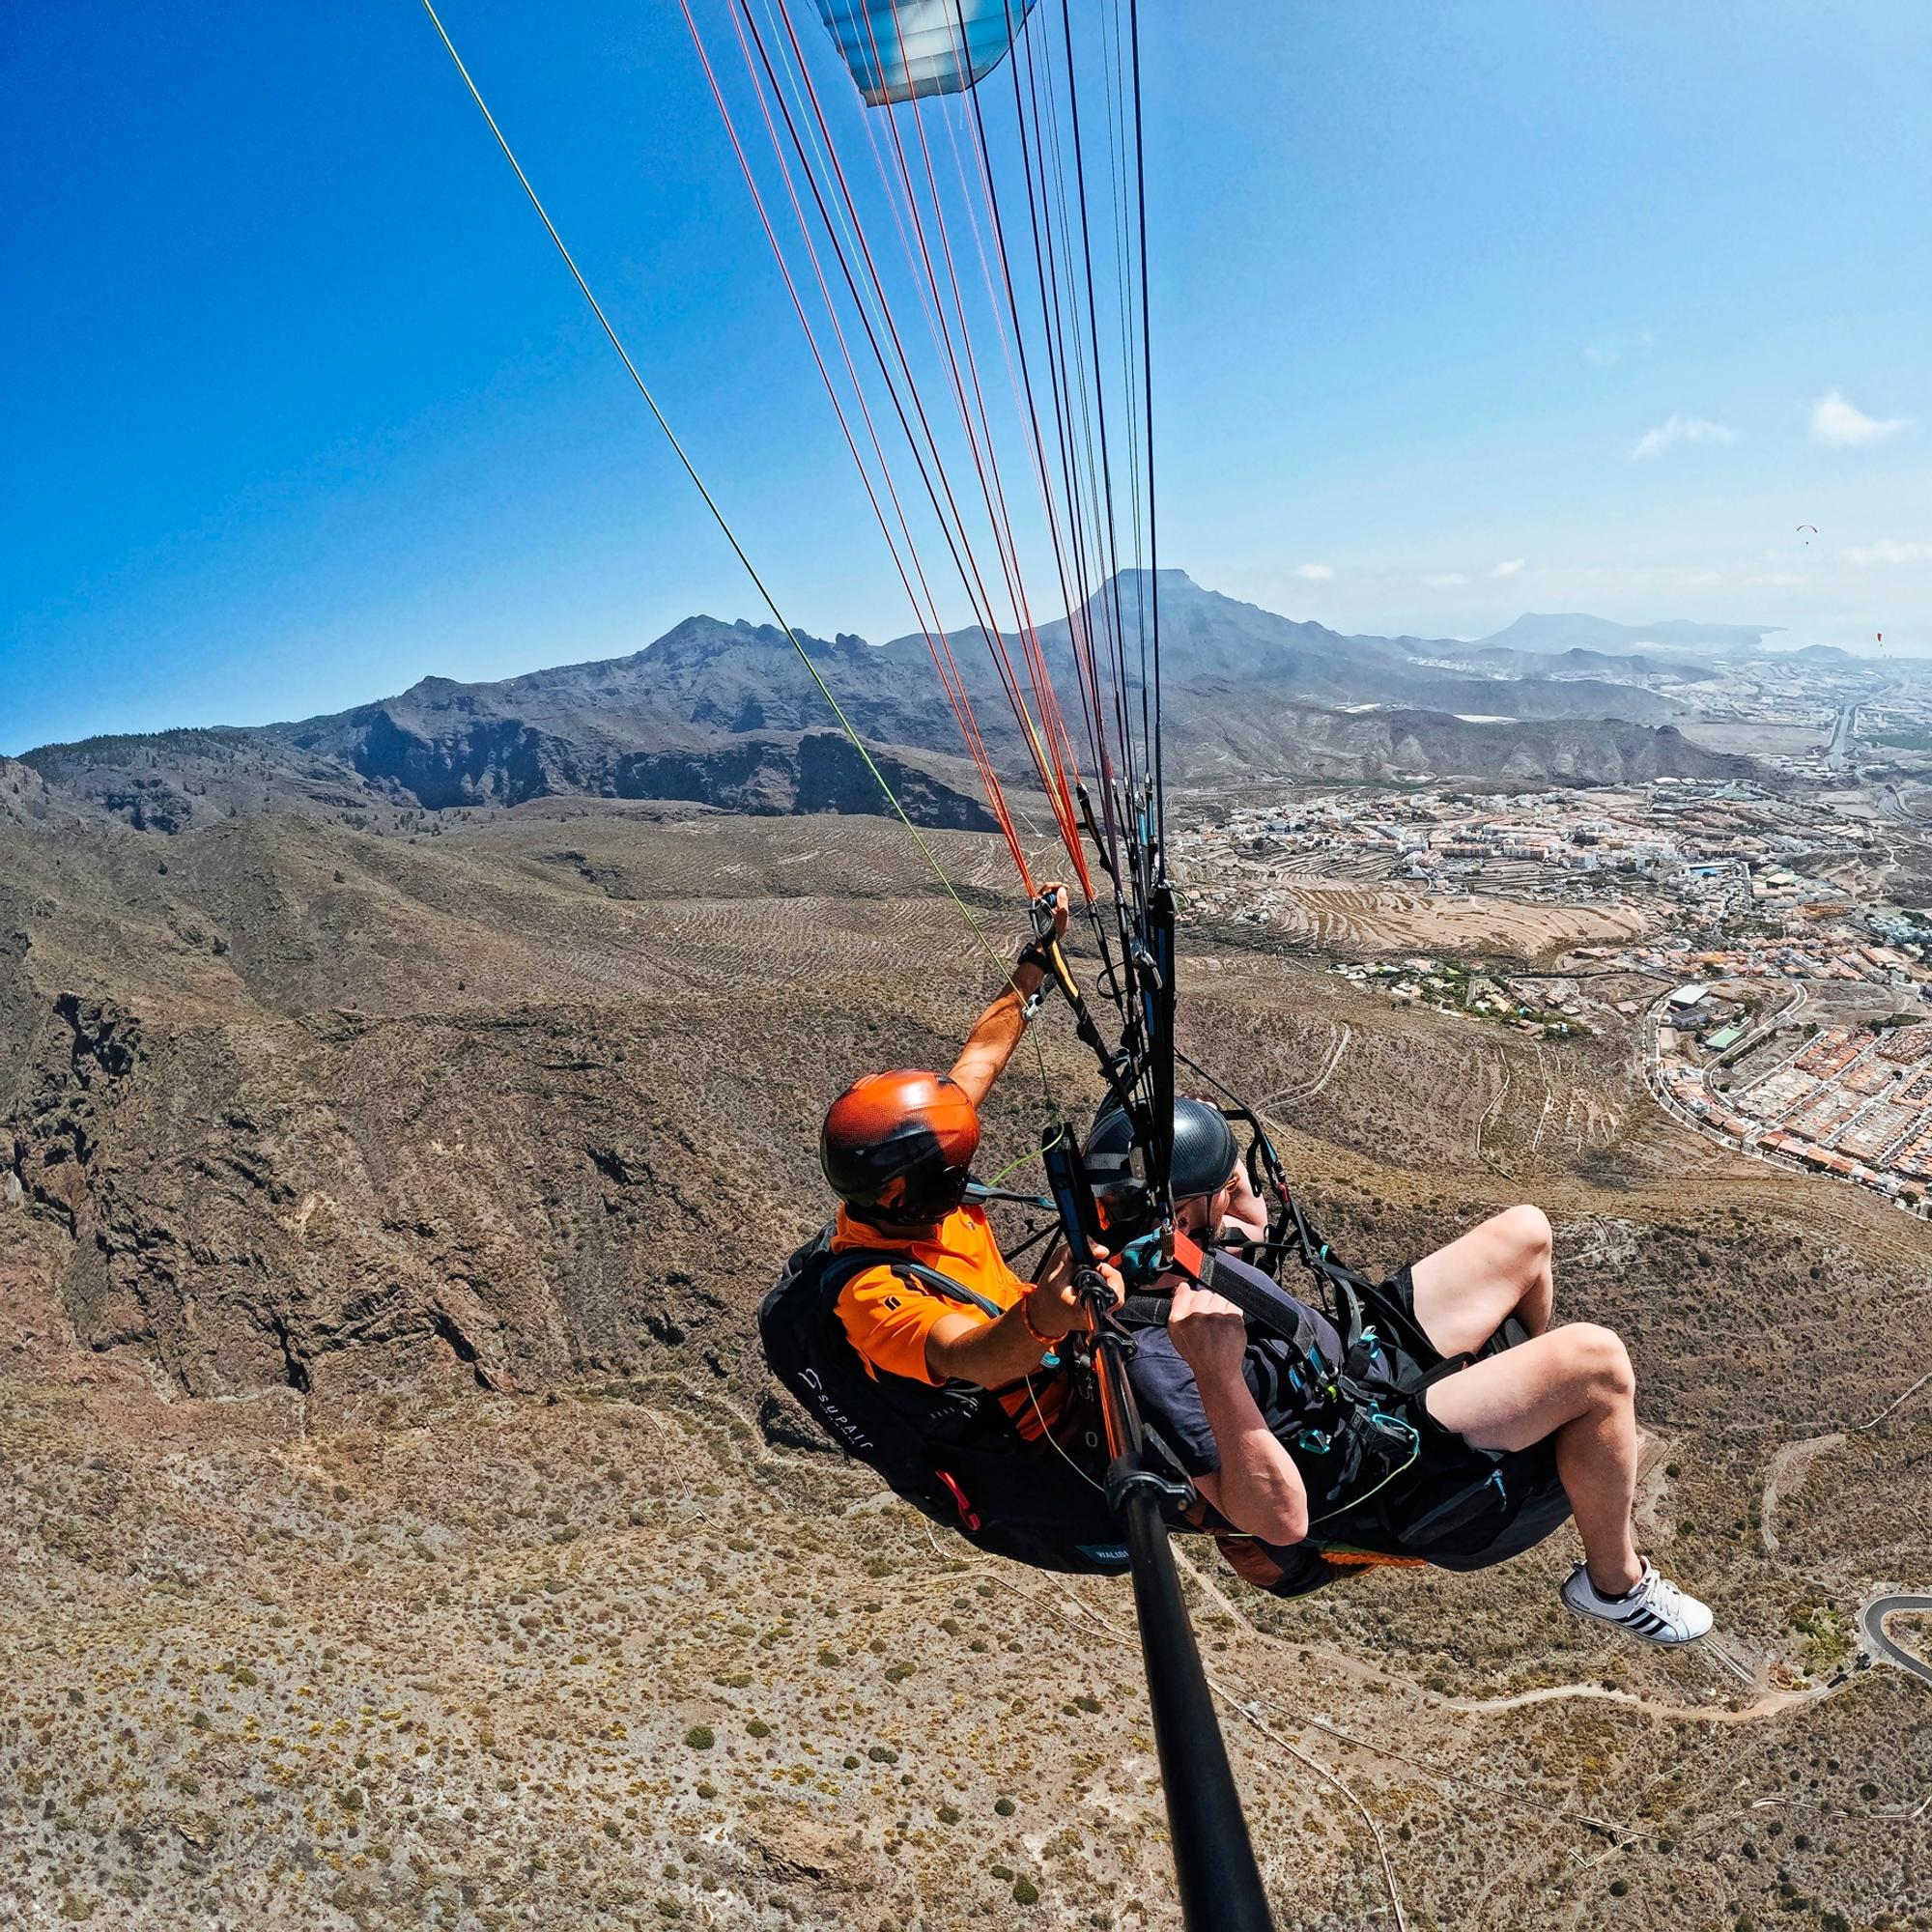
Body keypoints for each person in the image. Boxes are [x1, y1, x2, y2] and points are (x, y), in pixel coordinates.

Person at [1094, 1103, 1714, 1644]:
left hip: (1355, 1371)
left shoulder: (1176, 1256)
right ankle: (1615, 1583)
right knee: (1597, 1361)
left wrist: (1205, 1145)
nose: (1245, 1201)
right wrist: (1219, 1377)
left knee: (1526, 1232)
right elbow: (1278, 1521)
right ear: (1178, 1220)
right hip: (1367, 1459)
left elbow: (1240, 1222)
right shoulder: (1162, 1359)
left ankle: (1526, 1414)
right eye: (1227, 1189)